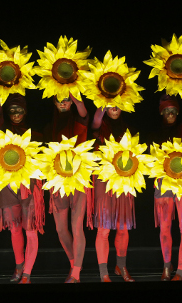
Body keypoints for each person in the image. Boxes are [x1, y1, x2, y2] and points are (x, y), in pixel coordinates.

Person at [0, 94, 44, 284]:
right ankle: (19, 266)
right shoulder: (2, 133)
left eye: (19, 110)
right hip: (7, 185)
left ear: (26, 111)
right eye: (12, 110)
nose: (15, 114)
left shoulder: (35, 135)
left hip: (29, 186)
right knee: (14, 228)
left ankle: (27, 274)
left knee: (30, 230)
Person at [43, 93, 89, 283]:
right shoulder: (49, 128)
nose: (63, 102)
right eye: (59, 99)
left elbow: (83, 110)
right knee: (61, 229)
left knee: (76, 226)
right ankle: (73, 265)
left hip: (78, 179)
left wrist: (69, 88)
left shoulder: (79, 121)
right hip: (57, 180)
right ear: (54, 102)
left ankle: (76, 274)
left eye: (66, 99)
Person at [149, 92, 182, 281]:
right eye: (166, 110)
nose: (170, 113)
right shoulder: (155, 133)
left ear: (177, 111)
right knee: (165, 227)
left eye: (173, 110)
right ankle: (167, 266)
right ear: (161, 112)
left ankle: (181, 271)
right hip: (162, 183)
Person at [91, 106, 136, 282]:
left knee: (123, 226)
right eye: (111, 105)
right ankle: (104, 273)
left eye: (118, 104)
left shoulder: (128, 129)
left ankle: (121, 266)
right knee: (104, 228)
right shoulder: (98, 127)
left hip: (124, 179)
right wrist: (105, 99)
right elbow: (96, 120)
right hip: (103, 179)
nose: (115, 108)